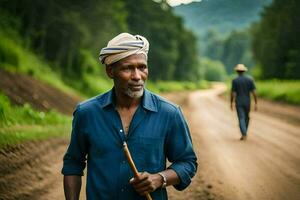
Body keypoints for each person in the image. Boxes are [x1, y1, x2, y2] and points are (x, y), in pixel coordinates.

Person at [61, 33, 197, 200]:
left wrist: (159, 179)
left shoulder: (169, 113)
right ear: (110, 71)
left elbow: (187, 163)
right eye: (128, 68)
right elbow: (73, 165)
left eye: (142, 67)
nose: (137, 76)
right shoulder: (87, 113)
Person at [230, 64, 258, 141]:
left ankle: (244, 133)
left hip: (239, 102)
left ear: (237, 71)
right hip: (247, 102)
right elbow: (254, 92)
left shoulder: (235, 80)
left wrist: (231, 103)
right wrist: (256, 103)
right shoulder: (250, 80)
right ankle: (244, 132)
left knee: (241, 118)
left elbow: (233, 93)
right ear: (244, 71)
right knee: (247, 117)